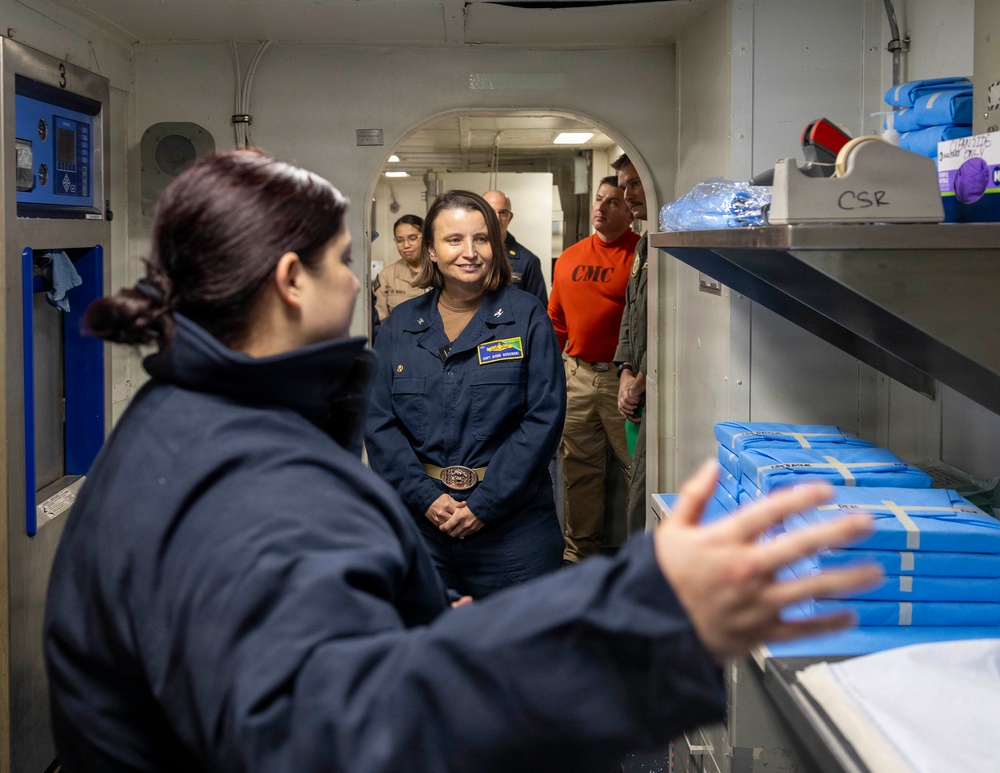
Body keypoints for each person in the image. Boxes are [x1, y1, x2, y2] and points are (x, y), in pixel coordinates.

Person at [44, 149, 881, 773]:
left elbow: (301, 660)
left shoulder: (183, 419)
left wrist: (431, 623)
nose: (362, 280)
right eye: (345, 260)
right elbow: (342, 736)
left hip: (505, 534)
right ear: (292, 279)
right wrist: (639, 619)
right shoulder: (250, 479)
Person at [365, 190, 565, 598]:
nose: (470, 252)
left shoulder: (526, 316)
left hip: (514, 529)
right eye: (454, 240)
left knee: (521, 635)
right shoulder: (400, 326)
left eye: (481, 239)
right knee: (430, 636)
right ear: (431, 251)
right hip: (421, 528)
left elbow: (543, 418)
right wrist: (425, 498)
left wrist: (483, 504)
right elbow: (378, 421)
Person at [548, 176, 640, 564]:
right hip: (578, 375)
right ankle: (578, 556)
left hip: (623, 380)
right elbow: (556, 322)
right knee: (579, 471)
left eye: (613, 201)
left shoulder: (640, 256)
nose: (600, 207)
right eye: (599, 199)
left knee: (637, 469)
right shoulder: (570, 257)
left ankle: (643, 556)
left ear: (630, 212)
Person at [612, 153, 651, 538]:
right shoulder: (644, 248)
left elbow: (670, 323)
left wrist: (642, 380)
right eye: (624, 186)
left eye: (635, 184)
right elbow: (631, 312)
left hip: (653, 392)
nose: (628, 194)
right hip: (637, 391)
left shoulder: (667, 246)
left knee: (643, 491)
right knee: (636, 481)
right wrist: (625, 371)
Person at [483, 189, 549, 305]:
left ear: (510, 217)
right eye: (490, 212)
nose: (497, 218)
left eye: (503, 212)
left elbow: (539, 309)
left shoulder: (528, 261)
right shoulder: (468, 255)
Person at [372, 213, 427, 326]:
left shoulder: (439, 272)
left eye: (412, 238)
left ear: (426, 238)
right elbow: (380, 321)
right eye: (399, 240)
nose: (406, 245)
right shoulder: (386, 276)